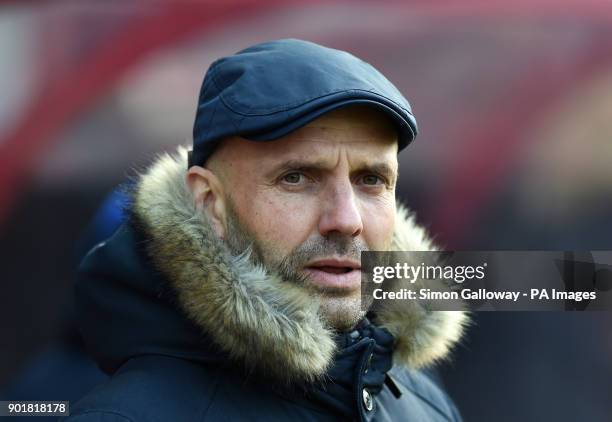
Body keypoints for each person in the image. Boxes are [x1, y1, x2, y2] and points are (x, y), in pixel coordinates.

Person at [64, 39, 468, 422]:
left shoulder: (422, 402)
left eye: (372, 180)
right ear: (210, 203)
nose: (347, 220)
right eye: (296, 177)